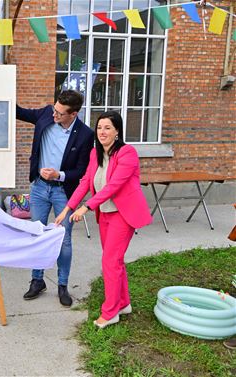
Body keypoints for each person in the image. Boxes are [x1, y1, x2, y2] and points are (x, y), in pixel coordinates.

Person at [54, 111, 152, 328]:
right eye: (99, 127)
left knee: (110, 261)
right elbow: (85, 182)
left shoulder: (127, 153)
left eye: (107, 127)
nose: (102, 132)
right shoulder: (95, 154)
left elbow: (113, 186)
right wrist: (67, 209)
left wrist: (87, 207)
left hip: (123, 214)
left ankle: (110, 312)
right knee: (115, 261)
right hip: (106, 214)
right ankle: (123, 303)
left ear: (117, 131)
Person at [17, 90, 94, 306]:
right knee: (37, 234)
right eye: (55, 109)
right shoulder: (45, 114)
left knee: (64, 240)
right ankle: (37, 280)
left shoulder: (85, 135)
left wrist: (58, 175)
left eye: (60, 113)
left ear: (74, 114)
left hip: (63, 192)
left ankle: (62, 285)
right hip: (40, 189)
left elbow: (82, 170)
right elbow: (18, 111)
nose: (54, 115)